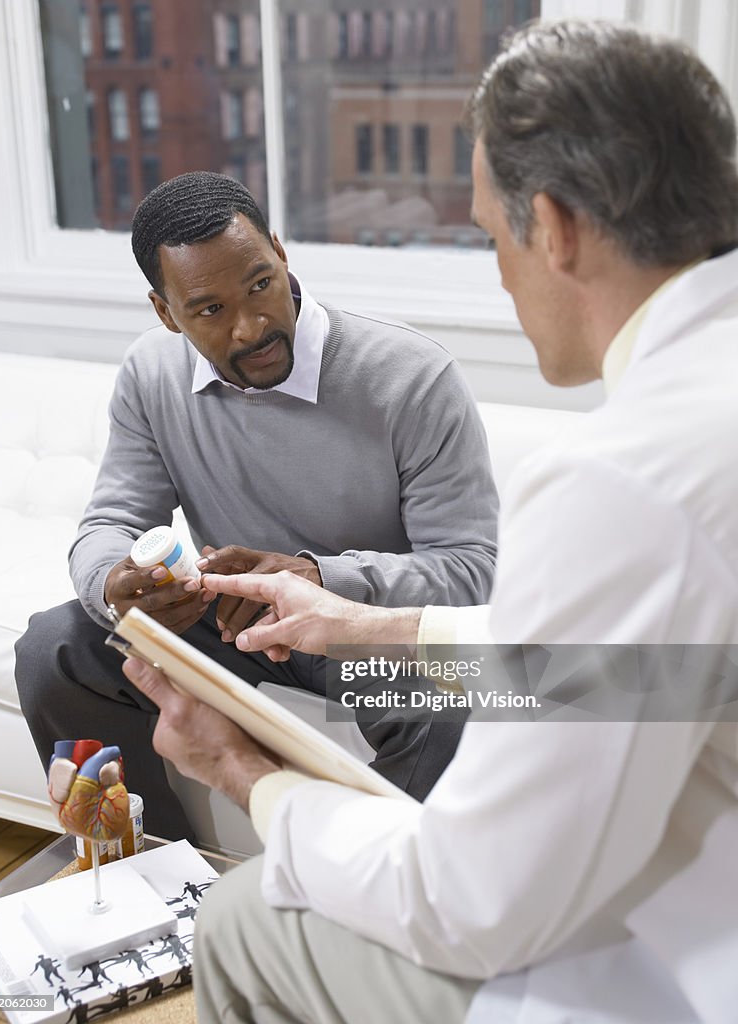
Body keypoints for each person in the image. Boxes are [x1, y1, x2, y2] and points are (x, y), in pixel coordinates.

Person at [123, 19, 738, 1023]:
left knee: (244, 911)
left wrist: (246, 773)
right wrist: (367, 628)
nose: (502, 272)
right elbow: (650, 669)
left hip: (688, 971)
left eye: (493, 235)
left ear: (555, 227)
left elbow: (466, 903)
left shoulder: (627, 479)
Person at [14, 172, 499, 839]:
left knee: (448, 702)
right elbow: (111, 522)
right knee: (56, 649)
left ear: (279, 251)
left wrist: (320, 580)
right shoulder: (152, 374)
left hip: (360, 631)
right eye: (209, 310)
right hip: (228, 624)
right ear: (165, 313)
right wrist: (115, 585)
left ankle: (369, 895)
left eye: (260, 285)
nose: (251, 326)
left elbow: (469, 572)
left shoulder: (412, 378)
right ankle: (151, 870)